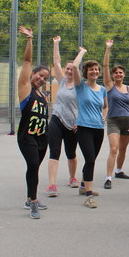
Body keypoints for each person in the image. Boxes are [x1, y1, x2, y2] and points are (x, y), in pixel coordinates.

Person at [45, 36, 87, 197]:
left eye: (72, 69)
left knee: (71, 153)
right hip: (57, 119)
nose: (69, 71)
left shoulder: (79, 85)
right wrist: (56, 44)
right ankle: (51, 185)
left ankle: (72, 178)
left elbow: (83, 106)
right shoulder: (62, 81)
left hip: (73, 124)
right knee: (54, 151)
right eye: (67, 69)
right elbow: (56, 62)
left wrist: (81, 53)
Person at [16, 26, 50, 219]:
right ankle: (33, 201)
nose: (41, 79)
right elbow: (27, 60)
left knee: (34, 167)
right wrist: (30, 39)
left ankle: (30, 197)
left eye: (45, 78)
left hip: (42, 138)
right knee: (33, 164)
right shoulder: (26, 89)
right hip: (27, 136)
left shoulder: (42, 95)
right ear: (32, 74)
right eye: (39, 75)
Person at [70, 59, 108, 209]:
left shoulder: (102, 89)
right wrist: (82, 52)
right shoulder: (80, 86)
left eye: (96, 69)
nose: (94, 71)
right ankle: (89, 196)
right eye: (91, 69)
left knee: (90, 160)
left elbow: (105, 106)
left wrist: (104, 115)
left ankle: (83, 185)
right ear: (86, 72)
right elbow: (74, 66)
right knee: (90, 159)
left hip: (98, 129)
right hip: (84, 127)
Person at [102, 40, 129, 189]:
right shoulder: (109, 86)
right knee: (114, 148)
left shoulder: (128, 89)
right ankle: (108, 178)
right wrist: (108, 49)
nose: (118, 74)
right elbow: (105, 66)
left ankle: (119, 170)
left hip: (127, 121)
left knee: (123, 149)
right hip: (113, 121)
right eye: (115, 72)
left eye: (120, 72)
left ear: (124, 75)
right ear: (113, 75)